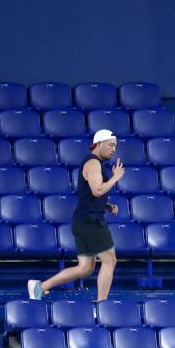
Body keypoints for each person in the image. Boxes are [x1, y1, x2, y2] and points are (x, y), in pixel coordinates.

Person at [27, 129, 124, 302]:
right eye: (110, 145)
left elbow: (88, 194)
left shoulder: (94, 163)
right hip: (91, 222)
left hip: (83, 220)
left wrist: (107, 206)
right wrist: (115, 178)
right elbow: (97, 190)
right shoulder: (93, 163)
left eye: (115, 146)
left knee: (85, 268)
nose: (113, 149)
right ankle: (101, 304)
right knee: (110, 260)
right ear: (99, 144)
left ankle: (40, 287)